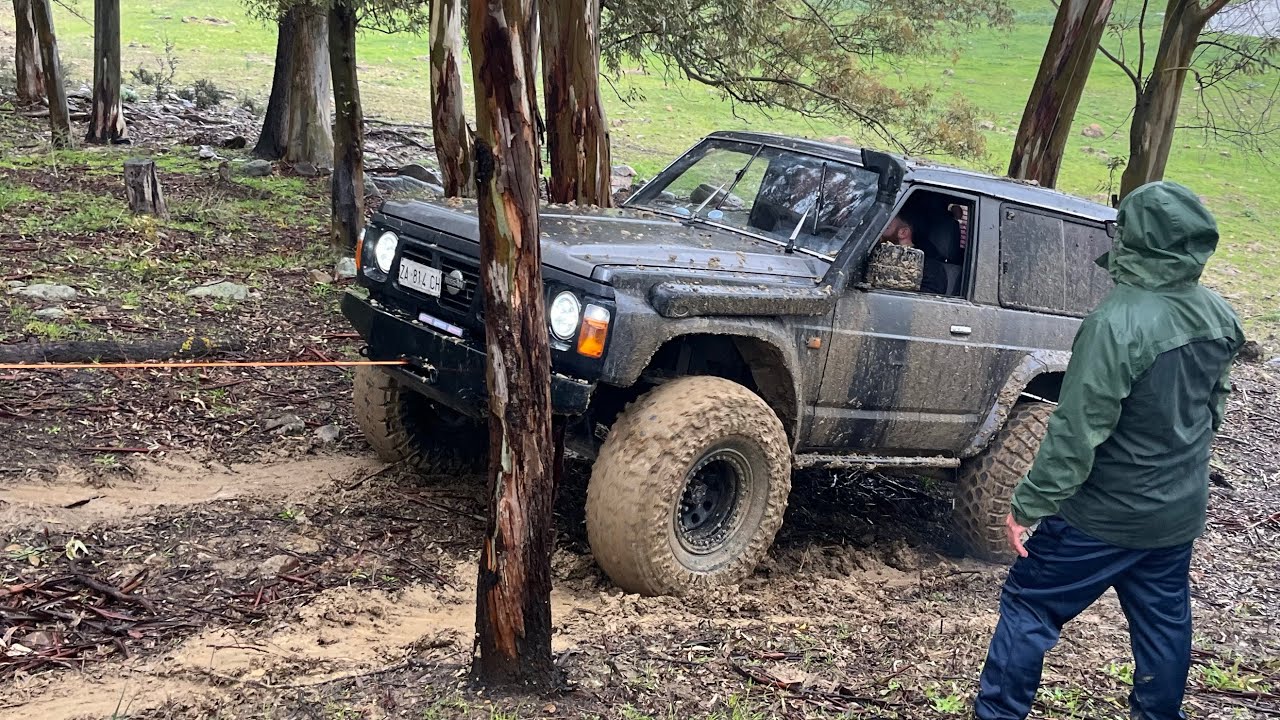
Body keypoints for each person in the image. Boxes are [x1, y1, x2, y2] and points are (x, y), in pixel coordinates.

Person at [974, 181, 1245, 720]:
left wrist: (1028, 505)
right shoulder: (1220, 315)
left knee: (1030, 605)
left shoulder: (1116, 321)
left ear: (1136, 237)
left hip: (1100, 516)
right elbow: (1211, 411)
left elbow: (1077, 428)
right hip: (1175, 513)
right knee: (1165, 622)